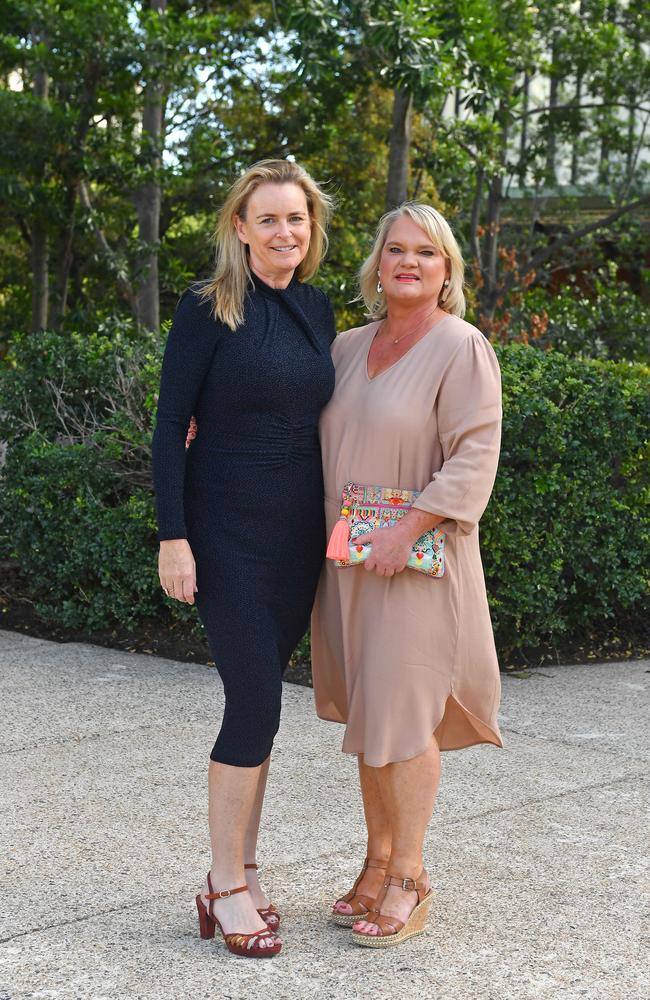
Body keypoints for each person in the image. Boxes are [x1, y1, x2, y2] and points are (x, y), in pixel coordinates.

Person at [151, 159, 335, 958]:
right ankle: (224, 886)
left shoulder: (317, 311)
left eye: (296, 219)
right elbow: (168, 427)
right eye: (268, 219)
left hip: (298, 539)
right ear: (240, 227)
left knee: (267, 709)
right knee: (255, 702)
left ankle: (245, 872)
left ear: (311, 228)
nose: (284, 232)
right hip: (224, 536)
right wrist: (173, 535)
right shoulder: (206, 308)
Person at [311, 202, 503, 949]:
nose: (409, 262)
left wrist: (409, 527)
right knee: (370, 716)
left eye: (426, 252)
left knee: (402, 715)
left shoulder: (462, 347)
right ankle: (375, 861)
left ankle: (411, 877)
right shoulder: (347, 347)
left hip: (417, 562)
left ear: (446, 268)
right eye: (396, 250)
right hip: (349, 561)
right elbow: (299, 424)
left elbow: (475, 453)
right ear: (377, 264)